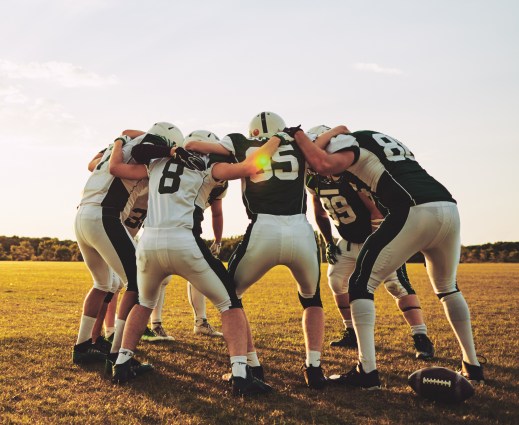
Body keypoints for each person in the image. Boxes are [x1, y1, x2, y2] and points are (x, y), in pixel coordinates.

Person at [284, 124, 484, 388]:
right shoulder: (378, 139)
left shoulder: (350, 144)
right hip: (446, 205)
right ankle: (472, 364)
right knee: (448, 288)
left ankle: (367, 372)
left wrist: (297, 134)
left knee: (359, 284)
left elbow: (323, 163)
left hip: (412, 208)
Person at [110, 129, 284, 397]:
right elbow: (252, 166)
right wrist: (276, 141)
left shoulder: (156, 163)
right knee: (229, 303)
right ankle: (240, 372)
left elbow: (120, 167)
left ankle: (122, 362)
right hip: (184, 241)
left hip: (149, 244)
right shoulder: (207, 165)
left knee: (144, 302)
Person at [184, 112, 343, 390]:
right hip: (300, 230)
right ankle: (314, 367)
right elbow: (332, 134)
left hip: (263, 229)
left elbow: (196, 146)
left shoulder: (240, 143)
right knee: (312, 298)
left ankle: (251, 365)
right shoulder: (299, 143)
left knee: (230, 297)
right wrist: (306, 135)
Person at [305, 126, 434, 359]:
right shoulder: (313, 180)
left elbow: (376, 211)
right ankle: (351, 331)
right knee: (336, 281)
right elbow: (320, 213)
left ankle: (420, 336)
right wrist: (327, 242)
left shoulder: (350, 172)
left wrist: (378, 242)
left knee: (396, 284)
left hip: (375, 237)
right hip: (347, 239)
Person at [71, 125, 150, 366]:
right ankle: (119, 354)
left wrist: (119, 140)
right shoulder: (139, 163)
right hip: (104, 216)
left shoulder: (111, 153)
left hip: (81, 215)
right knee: (139, 283)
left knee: (103, 283)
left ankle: (83, 345)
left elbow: (95, 163)